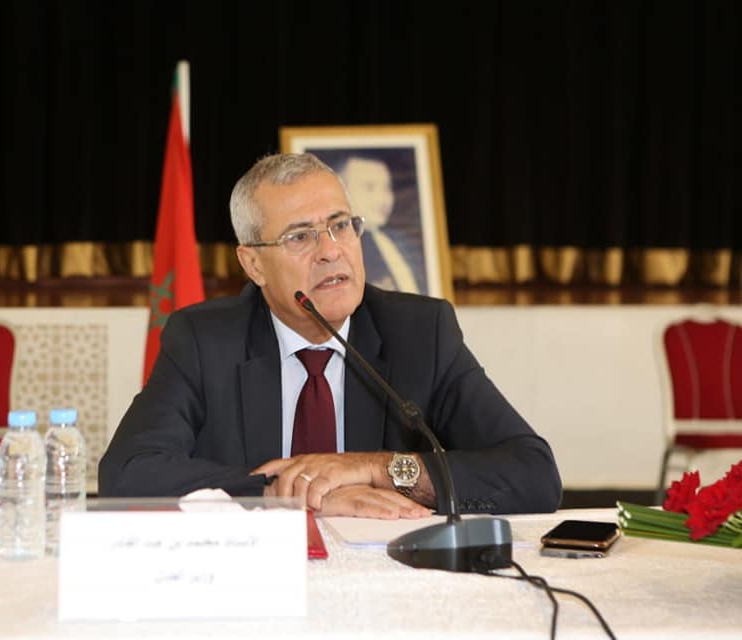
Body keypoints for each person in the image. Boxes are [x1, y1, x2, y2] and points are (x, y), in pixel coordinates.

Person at [98, 153, 561, 518]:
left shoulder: (421, 332)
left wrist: (373, 469)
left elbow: (534, 474)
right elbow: (126, 473)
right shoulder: (204, 340)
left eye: (340, 226)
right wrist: (285, 493)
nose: (331, 251)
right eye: (300, 237)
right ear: (254, 264)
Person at [336, 154, 428, 294]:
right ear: (341, 191)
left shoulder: (398, 241)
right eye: (370, 187)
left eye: (387, 188)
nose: (383, 198)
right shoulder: (336, 249)